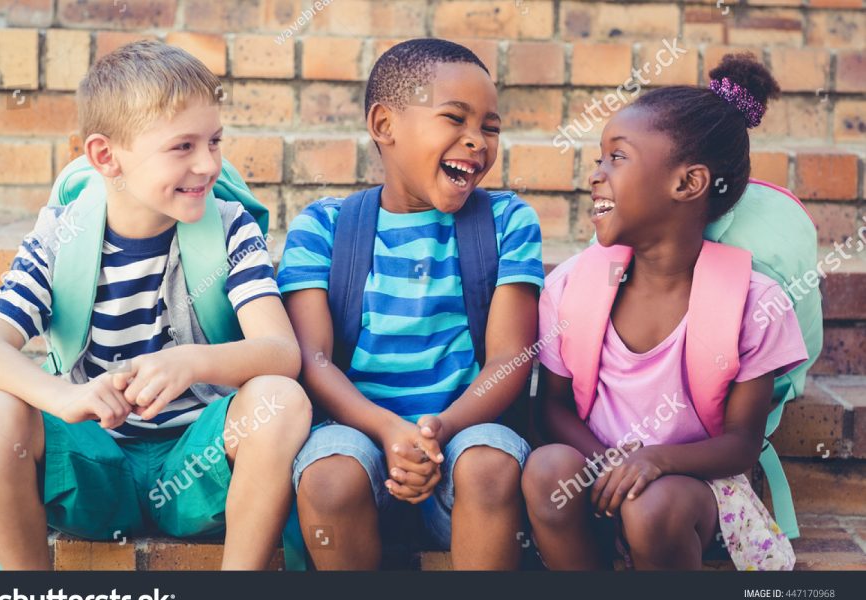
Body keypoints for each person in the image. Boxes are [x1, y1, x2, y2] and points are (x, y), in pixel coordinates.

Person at [0, 41, 311, 570]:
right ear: (106, 156)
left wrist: (192, 361)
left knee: (279, 399)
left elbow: (282, 352)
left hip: (201, 473)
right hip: (94, 468)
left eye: (215, 141)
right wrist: (63, 396)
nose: (209, 164)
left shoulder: (229, 227)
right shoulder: (62, 235)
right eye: (183, 147)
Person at [522, 53, 806, 571]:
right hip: (600, 475)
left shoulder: (753, 303)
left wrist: (654, 461)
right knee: (546, 469)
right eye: (598, 158)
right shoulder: (572, 287)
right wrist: (610, 462)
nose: (596, 175)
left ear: (687, 184)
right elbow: (551, 410)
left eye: (617, 158)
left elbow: (741, 444)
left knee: (652, 507)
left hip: (691, 493)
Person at [277, 38, 545, 570]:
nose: (476, 141)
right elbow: (313, 358)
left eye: (489, 128)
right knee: (328, 475)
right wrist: (387, 432)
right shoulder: (324, 228)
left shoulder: (509, 222)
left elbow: (510, 359)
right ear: (384, 125)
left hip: (463, 446)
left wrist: (437, 430)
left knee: (490, 462)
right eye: (455, 119)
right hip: (360, 450)